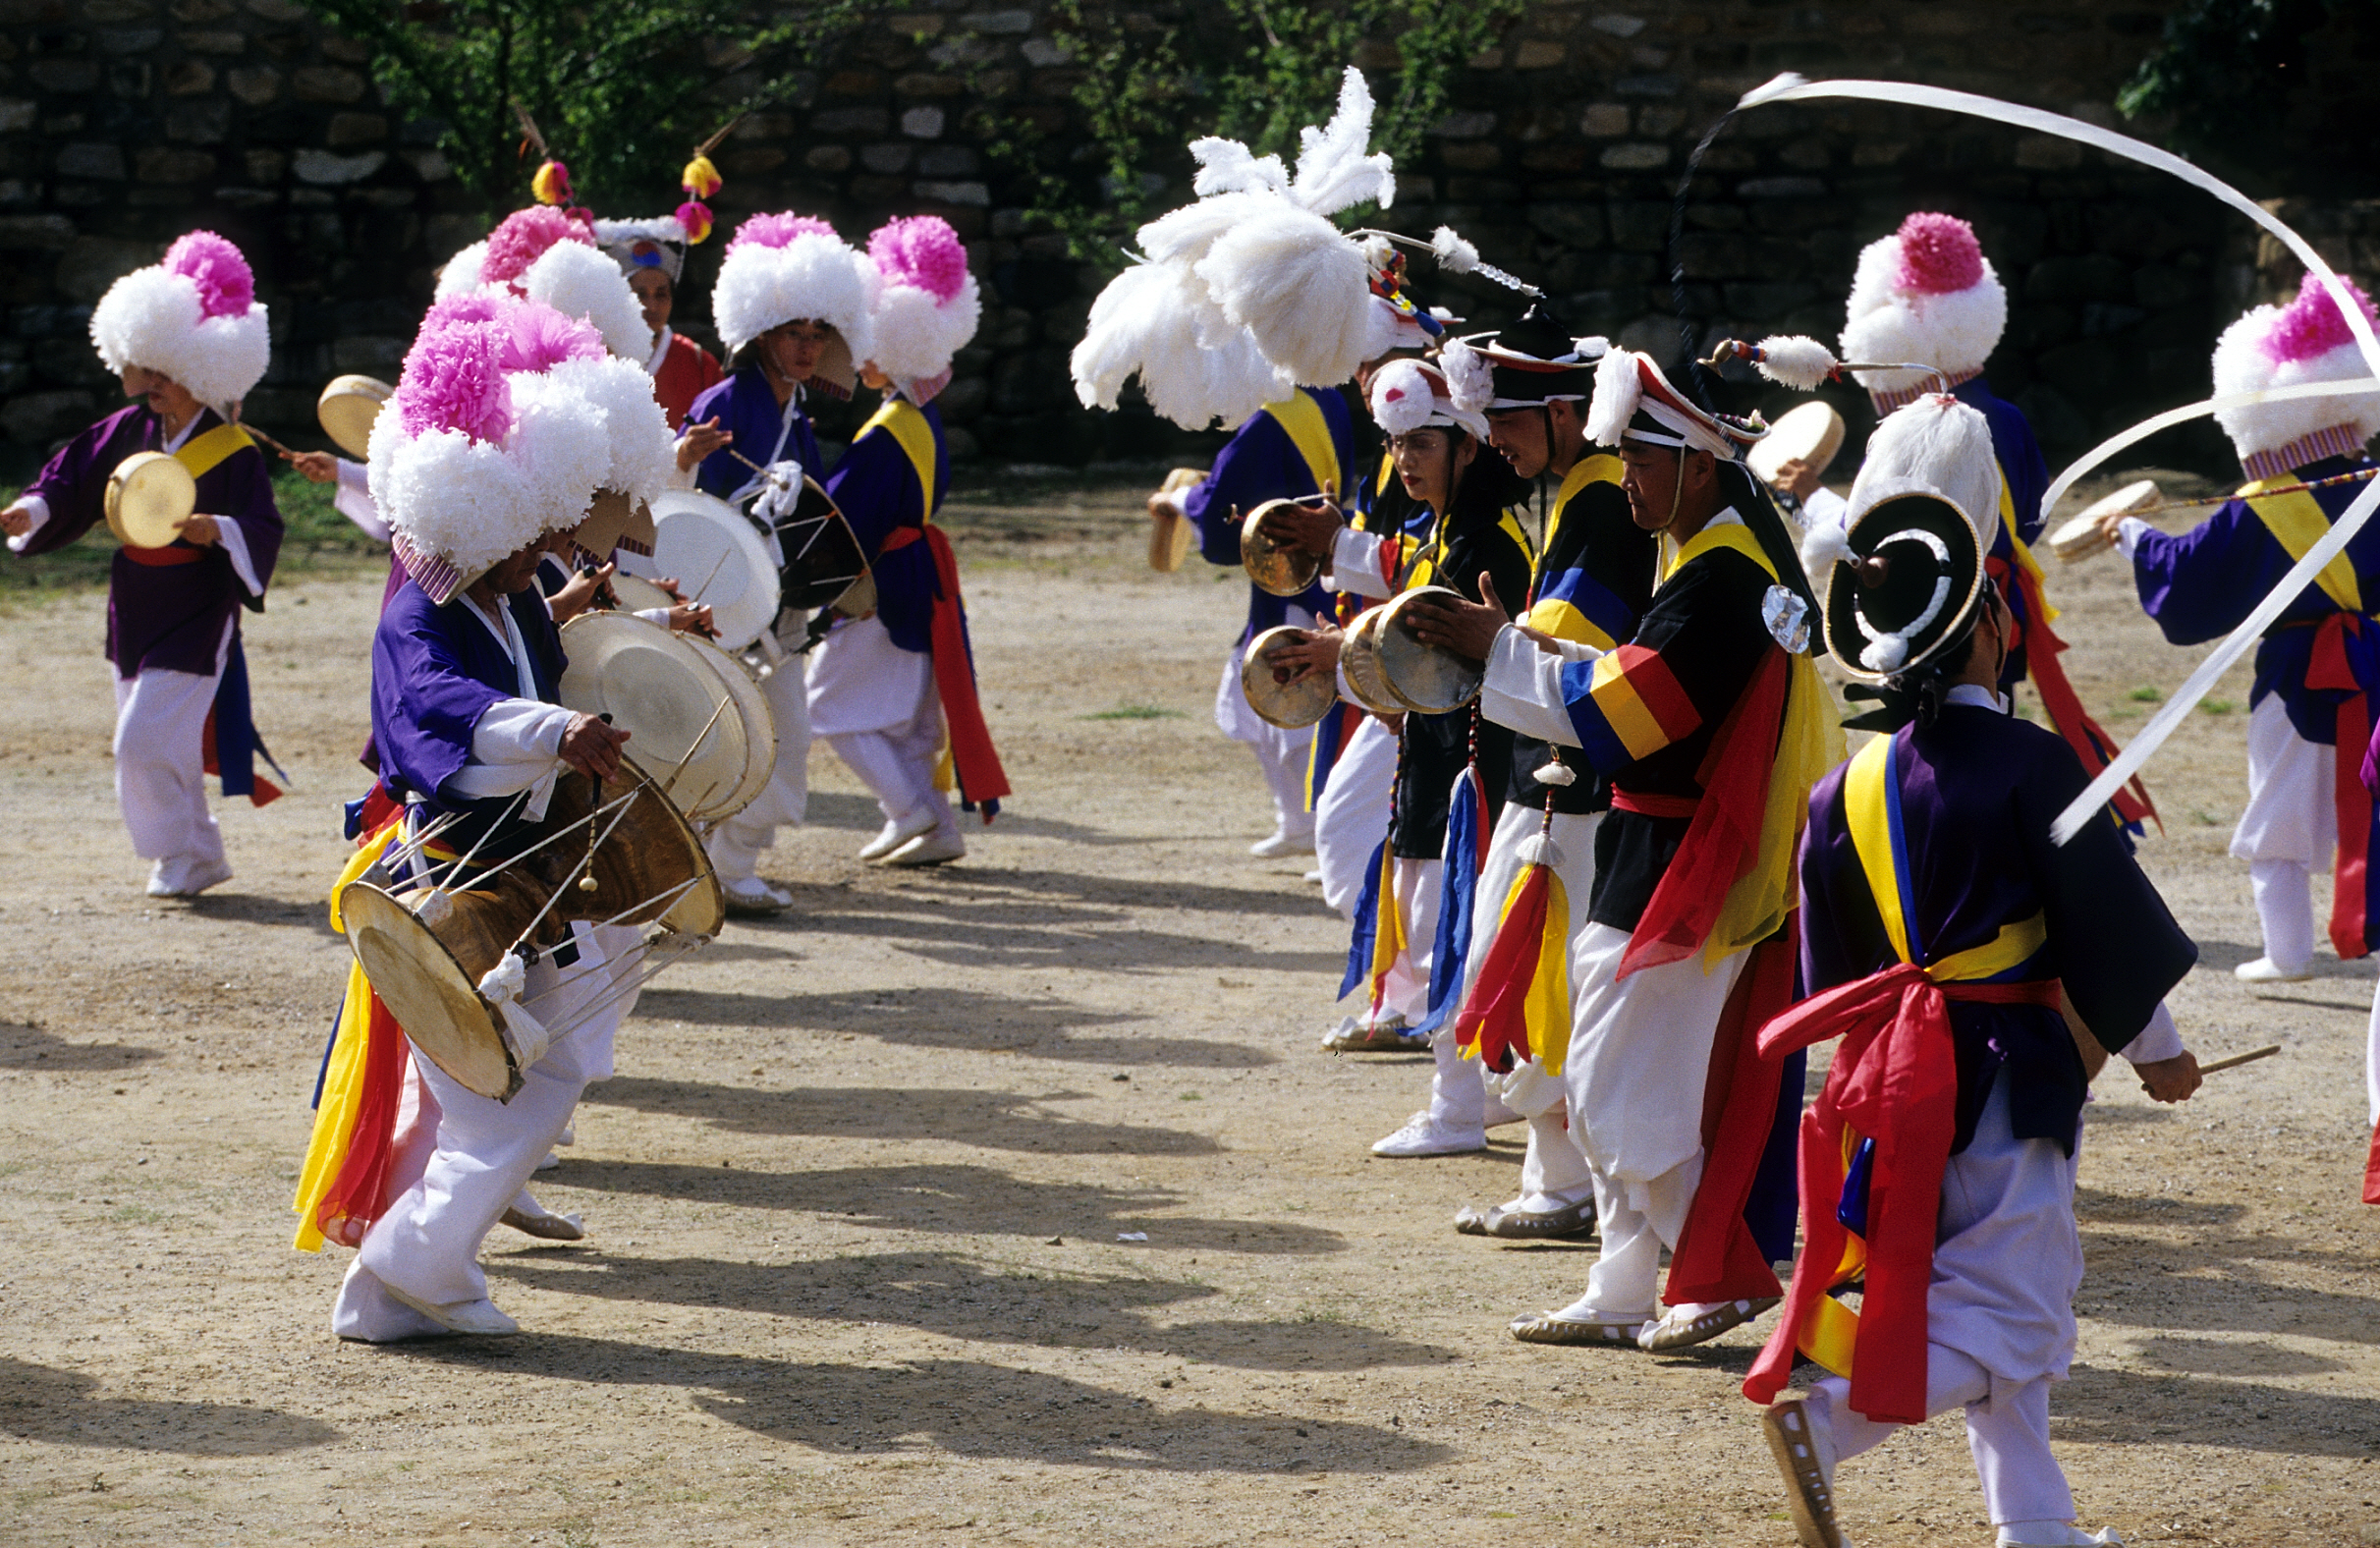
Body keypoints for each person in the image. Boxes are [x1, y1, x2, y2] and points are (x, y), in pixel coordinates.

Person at [1745, 392, 2201, 1548]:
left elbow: (1828, 962)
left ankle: (2034, 1526)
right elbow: (2105, 917)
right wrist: (2160, 1051)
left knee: (1979, 1285)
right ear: (1985, 625)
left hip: (1894, 1084)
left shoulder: (1837, 790)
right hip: (2005, 1071)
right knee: (2018, 1302)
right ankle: (1832, 1425)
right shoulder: (2030, 763)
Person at [298, 294, 678, 1339]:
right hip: (462, 877)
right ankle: (412, 1257)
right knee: (517, 1078)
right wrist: (554, 733)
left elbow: (515, 660)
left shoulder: (501, 598)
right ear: (483, 517)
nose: (548, 548)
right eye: (535, 534)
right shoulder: (418, 611)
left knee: (508, 1080)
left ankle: (388, 1292)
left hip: (520, 875)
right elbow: (441, 704)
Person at [1466, 347, 1838, 1347]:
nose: (1622, 475)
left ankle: (1713, 1274)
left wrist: (1492, 652)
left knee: (1617, 1083)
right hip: (1652, 847)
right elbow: (1639, 683)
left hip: (1682, 861)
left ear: (1698, 467)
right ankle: (1626, 1285)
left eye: (1638, 458)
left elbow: (1633, 717)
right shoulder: (1710, 561)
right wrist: (1525, 654)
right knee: (1615, 1081)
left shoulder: (1721, 574)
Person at [1403, 308, 1655, 1214]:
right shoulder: (1577, 494)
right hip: (1540, 774)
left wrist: (1490, 638)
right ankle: (1553, 1179)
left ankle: (1572, 1186)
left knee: (1545, 980)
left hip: (1576, 787)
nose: (1491, 442)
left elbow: (1576, 646)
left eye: (1504, 424)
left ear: (1559, 414)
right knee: (1510, 972)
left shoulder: (1599, 500)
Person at [1260, 358, 1534, 1133]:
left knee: (1448, 930)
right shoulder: (1455, 531)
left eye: (1421, 444)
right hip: (1439, 763)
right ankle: (1475, 1089)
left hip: (1467, 772)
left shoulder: (1485, 542)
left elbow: (1425, 654)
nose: (1404, 461)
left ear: (1469, 448)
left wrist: (1338, 660)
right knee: (1435, 925)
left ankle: (1455, 1109)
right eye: (1397, 445)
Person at [1834, 210, 2152, 834]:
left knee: (1922, 742)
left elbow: (1874, 524)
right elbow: (2029, 517)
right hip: (2000, 605)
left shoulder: (1908, 425)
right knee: (1990, 719)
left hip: (1926, 605)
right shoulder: (2007, 416)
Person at [2106, 273, 2380, 984]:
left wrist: (2133, 538)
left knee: (2277, 815)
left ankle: (2287, 953)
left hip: (2297, 676)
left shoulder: (2259, 507)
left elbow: (2188, 579)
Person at [3, 231, 283, 897]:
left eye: (166, 371)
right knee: (163, 737)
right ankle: (198, 853)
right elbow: (69, 480)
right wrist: (32, 511)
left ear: (206, 368)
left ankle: (172, 853)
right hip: (132, 600)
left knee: (143, 739)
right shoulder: (126, 430)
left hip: (196, 608)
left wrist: (217, 528)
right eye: (147, 367)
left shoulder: (233, 450)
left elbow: (263, 525)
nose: (151, 383)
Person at [676, 211, 877, 912]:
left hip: (778, 605)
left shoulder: (795, 412)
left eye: (817, 333)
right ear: (762, 330)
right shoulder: (724, 402)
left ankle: (728, 866)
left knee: (782, 736)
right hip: (721, 601)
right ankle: (705, 870)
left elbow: (809, 510)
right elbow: (675, 504)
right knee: (721, 736)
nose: (807, 345)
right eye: (795, 332)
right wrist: (683, 460)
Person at [810, 215, 1010, 866]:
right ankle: (935, 828)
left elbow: (843, 521)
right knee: (913, 719)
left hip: (882, 583)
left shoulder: (887, 431)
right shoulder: (916, 418)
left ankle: (911, 811)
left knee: (830, 706)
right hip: (916, 576)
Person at [594, 214, 726, 429]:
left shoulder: (701, 363)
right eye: (640, 295)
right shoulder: (597, 358)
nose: (652, 306)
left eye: (661, 294)